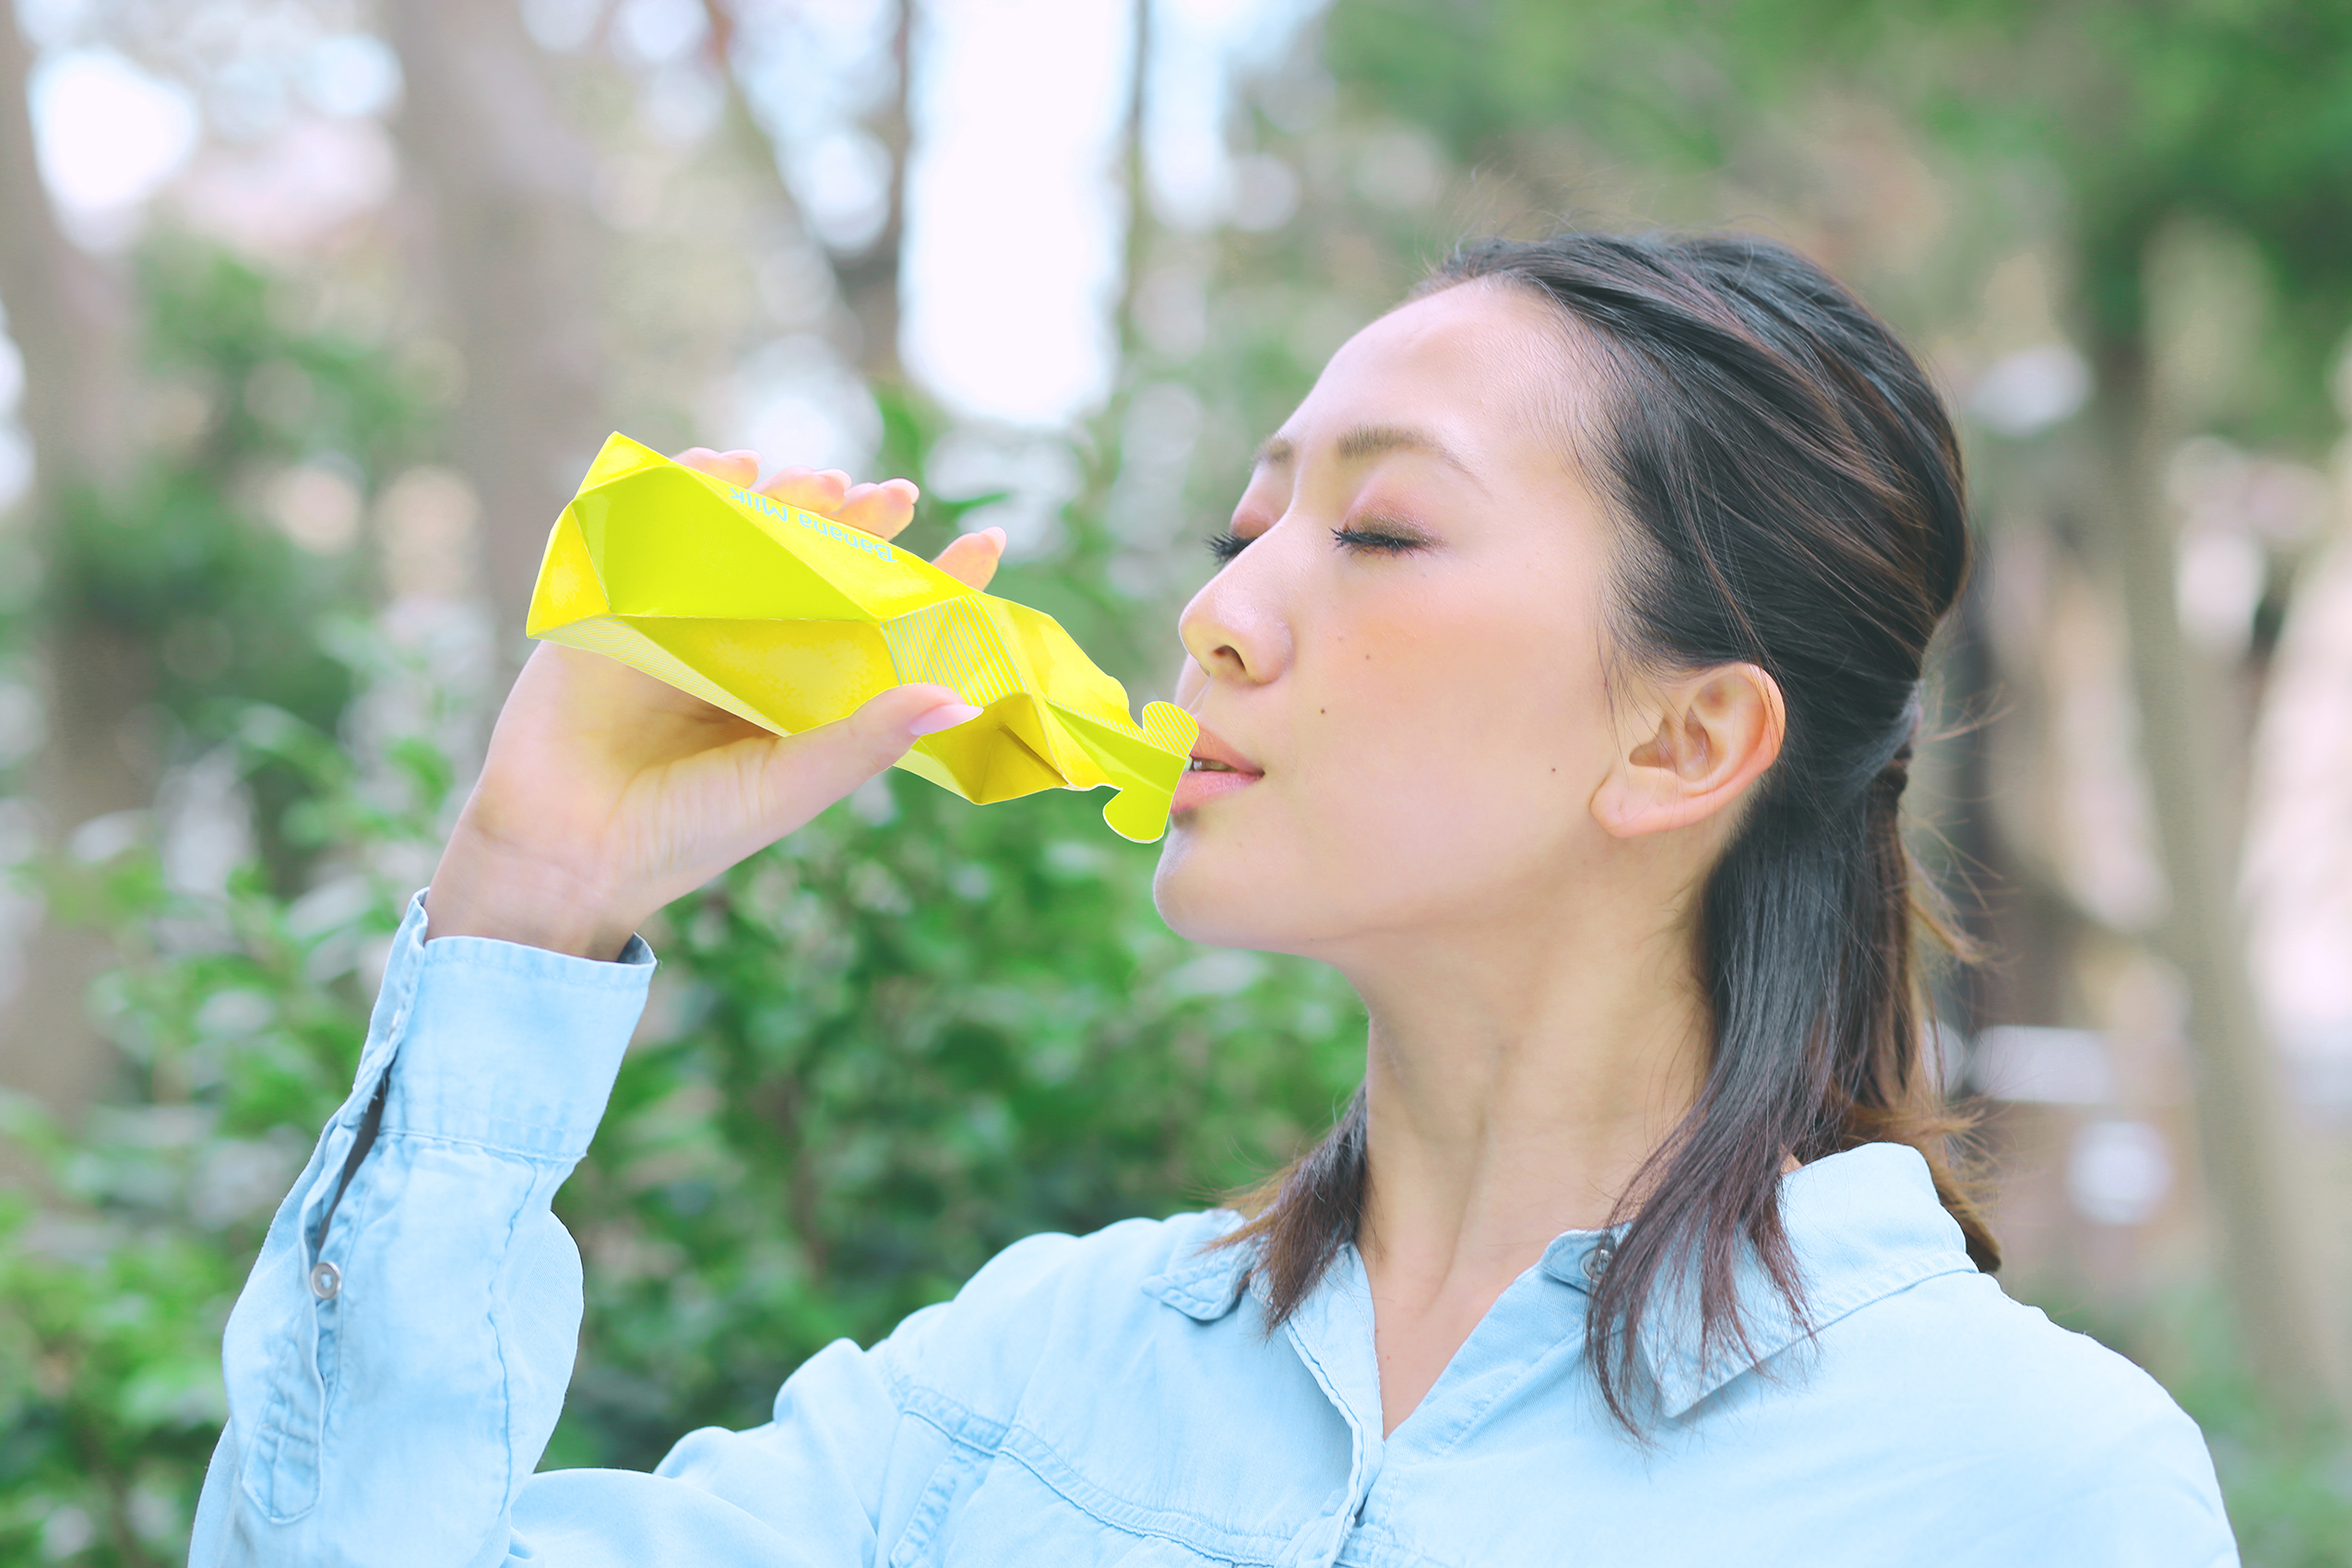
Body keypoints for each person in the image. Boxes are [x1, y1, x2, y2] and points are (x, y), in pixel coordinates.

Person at [189, 232, 2237, 1567]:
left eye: (1380, 529)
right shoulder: (1030, 1385)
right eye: (1245, 521)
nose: (1220, 611)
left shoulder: (2030, 1487)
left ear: (1685, 743)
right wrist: (530, 893)